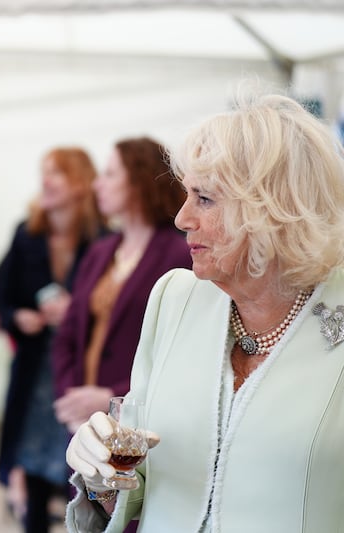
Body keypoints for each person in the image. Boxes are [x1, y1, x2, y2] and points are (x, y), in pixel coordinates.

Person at [64, 90, 344, 532]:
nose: (181, 218)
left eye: (204, 199)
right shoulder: (176, 297)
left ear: (273, 209)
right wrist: (102, 474)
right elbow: (139, 479)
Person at [0, 147, 104, 532]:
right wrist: (18, 317)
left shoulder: (104, 239)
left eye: (57, 173)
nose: (46, 180)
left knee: (77, 465)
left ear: (80, 183)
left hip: (79, 369)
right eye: (44, 172)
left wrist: (75, 312)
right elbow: (3, 294)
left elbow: (114, 309)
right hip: (35, 367)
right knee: (32, 461)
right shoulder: (27, 235)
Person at [52, 137, 190, 436]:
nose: (97, 185)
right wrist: (71, 398)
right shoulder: (101, 252)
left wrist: (114, 397)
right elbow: (68, 334)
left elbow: (179, 350)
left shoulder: (177, 255)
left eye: (110, 174)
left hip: (141, 419)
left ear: (139, 181)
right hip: (84, 421)